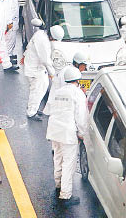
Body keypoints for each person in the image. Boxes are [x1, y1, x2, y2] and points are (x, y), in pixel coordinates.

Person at [45, 66, 88, 207]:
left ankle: (58, 184)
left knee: (58, 158)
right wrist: (82, 133)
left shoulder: (58, 92)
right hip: (68, 133)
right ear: (77, 80)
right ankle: (65, 195)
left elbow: (51, 109)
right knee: (68, 163)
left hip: (54, 131)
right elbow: (81, 117)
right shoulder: (78, 94)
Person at [21, 24, 65, 121]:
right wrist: (52, 74)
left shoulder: (40, 33)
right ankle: (31, 112)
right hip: (35, 69)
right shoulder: (43, 42)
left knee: (41, 88)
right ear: (52, 36)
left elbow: (29, 45)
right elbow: (45, 60)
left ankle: (34, 108)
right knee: (37, 90)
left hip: (34, 66)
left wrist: (24, 55)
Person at [44, 51, 88, 115]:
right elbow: (66, 90)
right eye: (84, 65)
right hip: (58, 105)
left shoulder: (73, 71)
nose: (85, 68)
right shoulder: (67, 72)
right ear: (77, 64)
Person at [5, 0, 23, 65]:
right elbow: (8, 9)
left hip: (12, 21)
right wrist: (9, 22)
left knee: (12, 41)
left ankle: (10, 55)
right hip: (11, 22)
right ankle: (7, 62)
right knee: (9, 41)